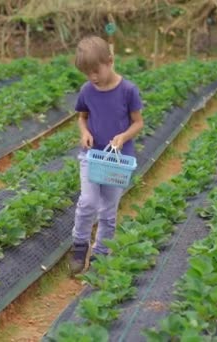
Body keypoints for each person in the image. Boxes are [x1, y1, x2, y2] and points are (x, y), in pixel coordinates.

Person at [69, 35, 144, 273]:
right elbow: (82, 117)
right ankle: (79, 247)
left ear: (110, 61)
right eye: (87, 73)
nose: (92, 77)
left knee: (108, 211)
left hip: (116, 161)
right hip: (91, 156)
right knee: (88, 202)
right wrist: (84, 133)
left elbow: (138, 123)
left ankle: (100, 254)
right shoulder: (87, 90)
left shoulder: (128, 90)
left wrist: (123, 136)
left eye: (96, 71)